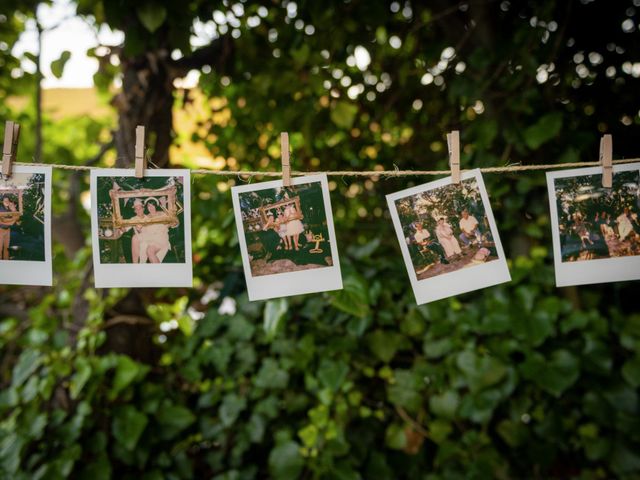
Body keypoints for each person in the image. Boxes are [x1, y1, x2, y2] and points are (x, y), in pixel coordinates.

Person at [139, 199, 171, 263]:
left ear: (156, 206)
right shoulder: (146, 217)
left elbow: (172, 222)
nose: (151, 208)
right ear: (146, 207)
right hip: (150, 239)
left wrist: (167, 225)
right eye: (149, 206)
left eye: (153, 205)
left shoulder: (162, 214)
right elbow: (143, 231)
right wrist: (139, 229)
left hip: (161, 238)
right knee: (141, 246)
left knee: (149, 251)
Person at [0, 195, 19, 260]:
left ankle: (6, 261)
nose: (7, 202)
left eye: (8, 200)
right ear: (2, 201)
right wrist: (12, 221)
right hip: (0, 230)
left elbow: (17, 217)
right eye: (5, 200)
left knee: (6, 248)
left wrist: (13, 208)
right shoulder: (1, 208)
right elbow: (3, 220)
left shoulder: (9, 208)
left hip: (7, 230)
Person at [129, 198, 147, 263]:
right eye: (137, 209)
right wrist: (119, 225)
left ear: (143, 209)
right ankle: (135, 264)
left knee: (135, 239)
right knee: (135, 238)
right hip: (138, 240)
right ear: (135, 211)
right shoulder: (133, 219)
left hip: (149, 238)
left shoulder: (148, 217)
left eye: (140, 208)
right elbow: (125, 229)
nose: (139, 211)